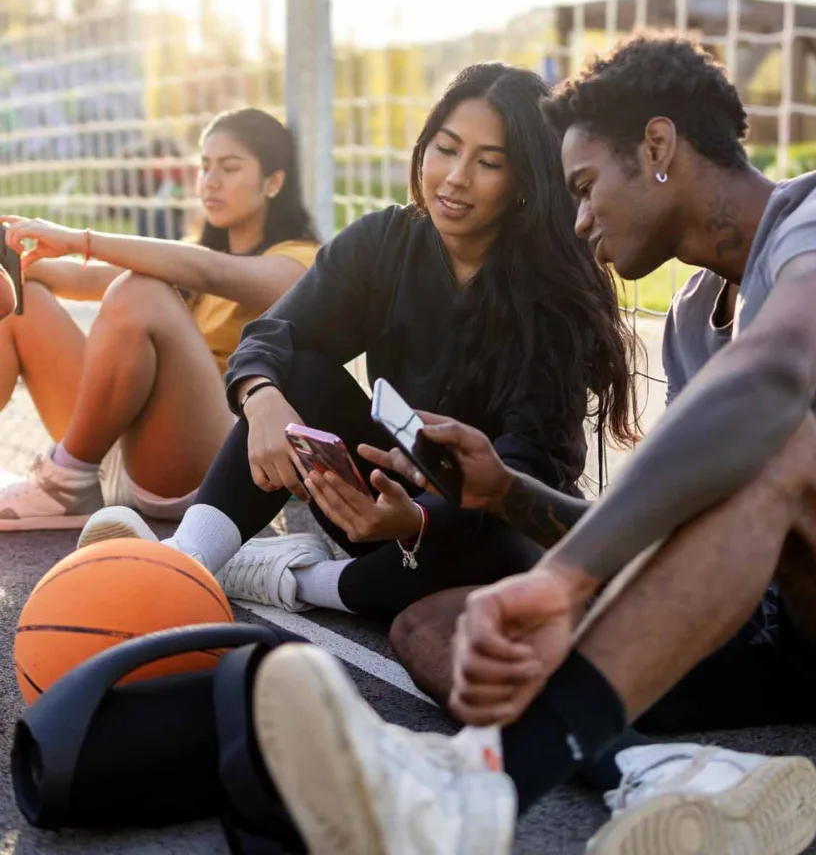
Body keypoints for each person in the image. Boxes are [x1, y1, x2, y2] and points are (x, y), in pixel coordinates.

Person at [240, 35, 816, 855]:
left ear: (657, 148)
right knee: (443, 623)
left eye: (584, 188)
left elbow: (775, 380)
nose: (578, 222)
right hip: (786, 629)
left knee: (768, 443)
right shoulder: (690, 317)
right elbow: (674, 531)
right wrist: (506, 489)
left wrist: (566, 583)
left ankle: (484, 788)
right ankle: (664, 774)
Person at [78, 63, 638, 627]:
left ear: (523, 182)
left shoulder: (551, 290)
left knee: (502, 562)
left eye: (488, 163)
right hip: (376, 494)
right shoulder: (384, 242)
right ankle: (186, 562)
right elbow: (274, 335)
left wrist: (417, 520)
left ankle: (294, 578)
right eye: (445, 149)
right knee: (294, 370)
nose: (455, 177)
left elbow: (526, 474)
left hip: (483, 523)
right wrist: (261, 398)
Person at [0, 108, 320, 530]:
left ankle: (64, 482)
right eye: (204, 167)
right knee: (23, 299)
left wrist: (80, 240)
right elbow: (76, 277)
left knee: (143, 290)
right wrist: (18, 253)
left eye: (229, 167)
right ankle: (72, 473)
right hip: (112, 449)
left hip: (199, 463)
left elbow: (213, 271)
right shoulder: (190, 253)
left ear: (273, 182)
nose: (211, 181)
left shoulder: (301, 262)